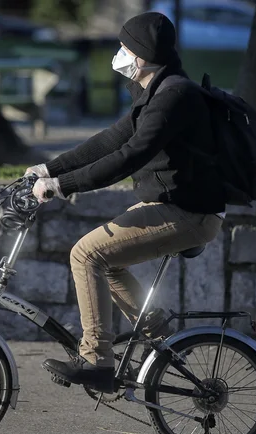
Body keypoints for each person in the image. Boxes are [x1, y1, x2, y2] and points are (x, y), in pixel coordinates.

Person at [25, 12, 227, 394]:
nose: (118, 54)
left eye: (123, 48)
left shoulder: (175, 96)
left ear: (141, 57)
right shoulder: (155, 92)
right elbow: (108, 141)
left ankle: (96, 360)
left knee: (86, 255)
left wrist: (61, 185)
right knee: (107, 262)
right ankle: (161, 339)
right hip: (174, 205)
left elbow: (128, 157)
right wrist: (48, 168)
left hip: (189, 213)